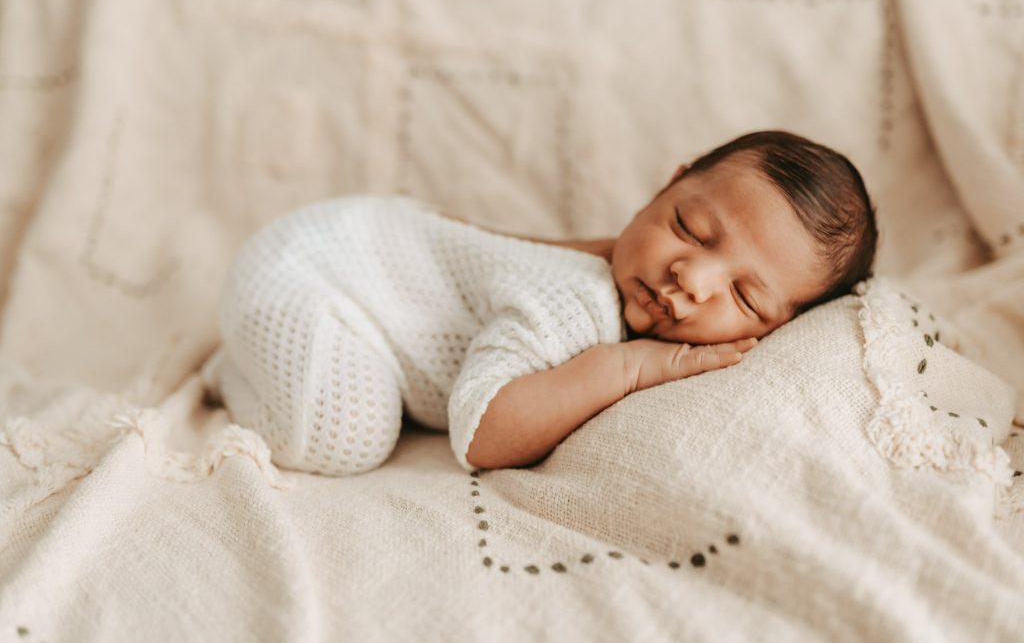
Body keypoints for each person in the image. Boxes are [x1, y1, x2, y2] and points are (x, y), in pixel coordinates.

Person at [206, 130, 878, 477]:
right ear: (666, 187)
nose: (692, 276)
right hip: (310, 274)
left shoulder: (626, 267)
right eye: (689, 228)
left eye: (743, 295)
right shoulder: (578, 301)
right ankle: (230, 373)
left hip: (353, 243)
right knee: (349, 436)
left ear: (784, 326)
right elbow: (480, 432)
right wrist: (626, 368)